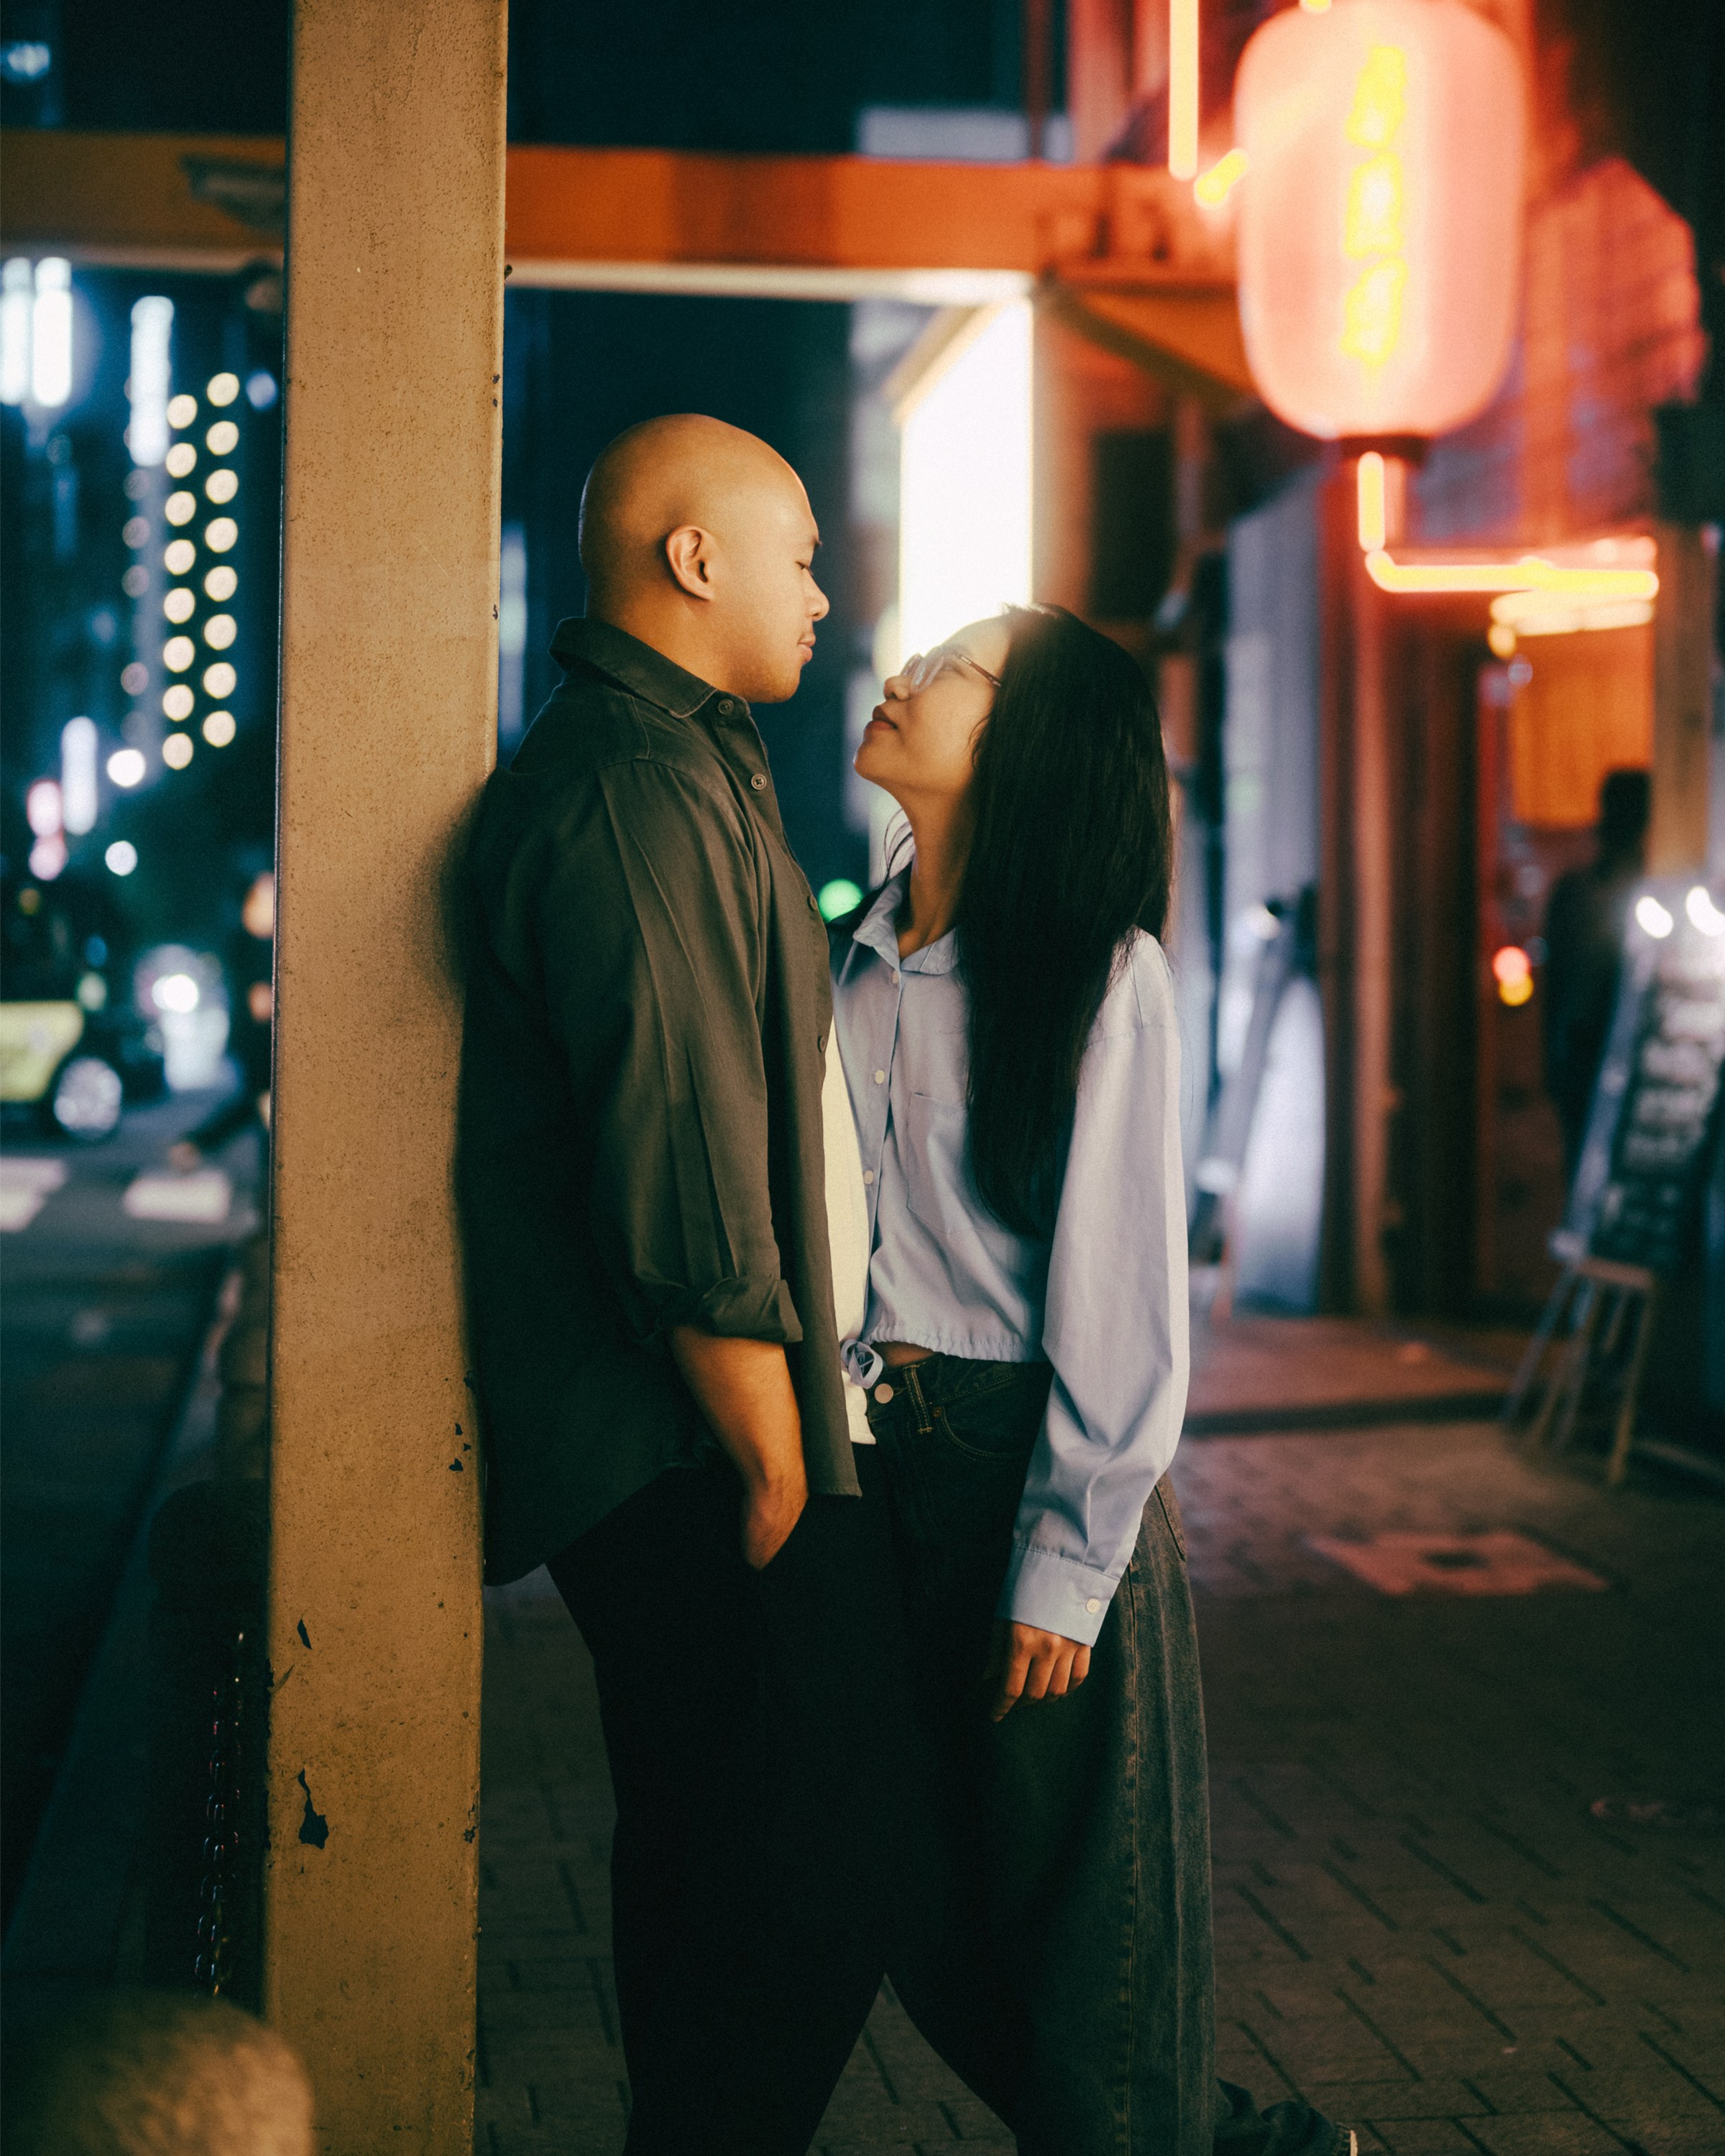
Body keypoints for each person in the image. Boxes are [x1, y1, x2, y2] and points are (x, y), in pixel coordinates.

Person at [830, 607, 1353, 2156]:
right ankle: (1237, 2143)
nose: (907, 675)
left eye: (964, 669)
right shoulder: (851, 963)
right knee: (925, 1912)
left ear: (1036, 750)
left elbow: (1125, 1299)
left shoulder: (1099, 979)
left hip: (1024, 1466)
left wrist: (1066, 1563)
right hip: (887, 1472)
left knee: (1086, 1937)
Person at [457, 414, 896, 2156]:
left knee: (718, 1853)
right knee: (832, 1849)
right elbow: (680, 1154)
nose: (822, 586)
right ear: (690, 560)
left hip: (694, 1426)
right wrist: (779, 1458)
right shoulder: (629, 787)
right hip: (688, 1437)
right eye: (793, 548)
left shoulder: (679, 760)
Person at [1542, 768, 1650, 1182]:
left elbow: (1558, 993)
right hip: (1591, 1053)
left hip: (1590, 1054)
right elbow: (1560, 989)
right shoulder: (1583, 892)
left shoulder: (1579, 891)